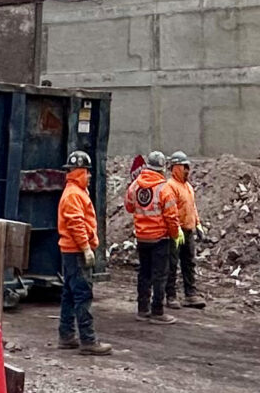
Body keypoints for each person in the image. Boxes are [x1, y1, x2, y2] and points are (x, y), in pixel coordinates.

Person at [55, 150, 111, 355]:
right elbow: (76, 223)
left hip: (71, 251)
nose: (89, 175)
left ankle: (67, 335)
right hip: (76, 251)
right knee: (82, 294)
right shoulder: (74, 195)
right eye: (87, 172)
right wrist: (86, 248)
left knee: (70, 294)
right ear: (79, 172)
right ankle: (88, 340)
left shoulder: (74, 192)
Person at [124, 149, 183, 322]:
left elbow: (129, 207)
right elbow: (171, 217)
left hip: (142, 238)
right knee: (160, 275)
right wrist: (174, 234)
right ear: (162, 168)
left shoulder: (135, 185)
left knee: (144, 273)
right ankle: (157, 311)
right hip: (160, 239)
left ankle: (142, 309)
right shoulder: (164, 188)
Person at [163, 152, 206, 309]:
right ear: (176, 168)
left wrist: (198, 224)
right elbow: (170, 211)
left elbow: (192, 207)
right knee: (172, 264)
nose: (187, 170)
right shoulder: (170, 187)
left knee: (189, 263)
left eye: (188, 167)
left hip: (188, 231)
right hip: (175, 232)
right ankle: (171, 295)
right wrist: (176, 230)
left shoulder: (187, 187)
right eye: (184, 167)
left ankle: (190, 294)